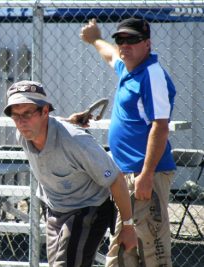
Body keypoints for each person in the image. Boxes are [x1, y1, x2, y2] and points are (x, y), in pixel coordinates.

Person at [76, 18, 177, 267]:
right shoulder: (129, 69)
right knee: (125, 250)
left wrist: (147, 175)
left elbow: (160, 127)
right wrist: (95, 39)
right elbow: (111, 56)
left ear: (148, 44)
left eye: (133, 40)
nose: (125, 45)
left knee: (152, 252)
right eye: (121, 39)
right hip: (126, 176)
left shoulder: (151, 75)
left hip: (143, 177)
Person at [4, 80, 137, 267]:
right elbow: (52, 124)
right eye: (15, 115)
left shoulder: (76, 141)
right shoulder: (24, 135)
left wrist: (128, 226)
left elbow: (116, 178)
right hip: (55, 208)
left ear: (44, 111)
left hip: (88, 208)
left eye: (27, 113)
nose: (21, 121)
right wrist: (68, 121)